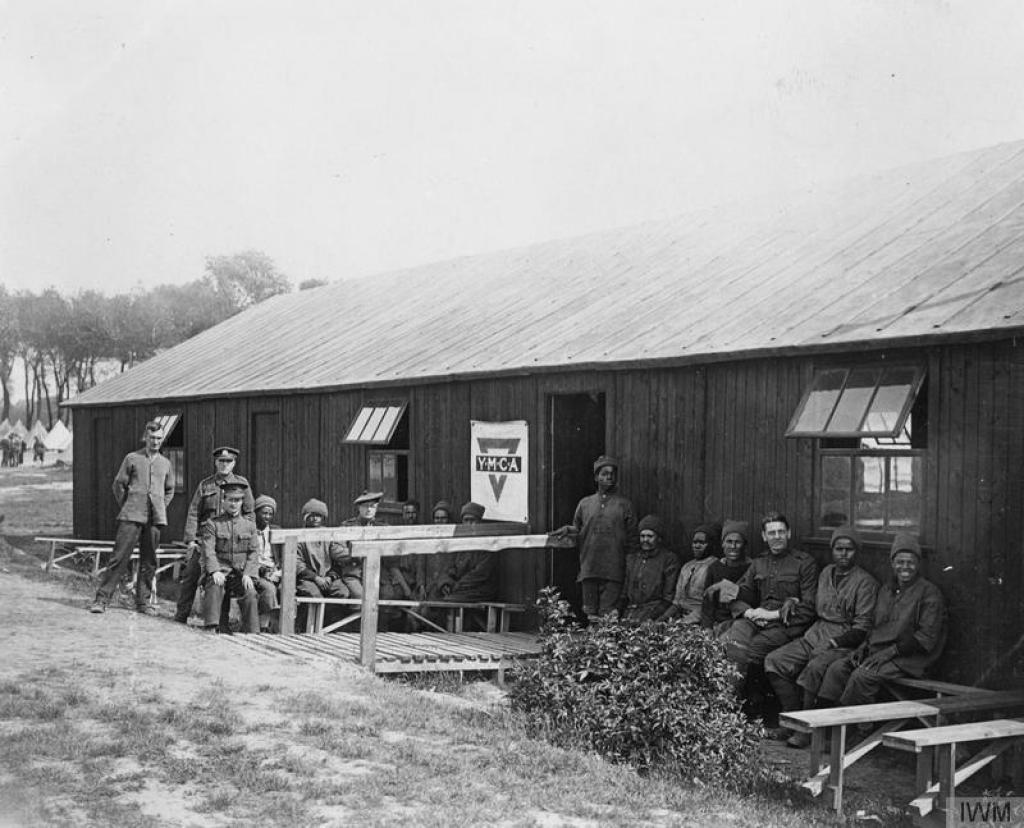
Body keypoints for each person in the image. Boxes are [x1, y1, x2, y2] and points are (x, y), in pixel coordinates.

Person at [764, 525, 879, 746]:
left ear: (857, 552)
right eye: (838, 549)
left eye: (849, 549)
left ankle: (807, 729)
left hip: (844, 640)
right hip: (816, 632)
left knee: (815, 667)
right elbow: (811, 599)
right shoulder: (826, 572)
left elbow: (862, 627)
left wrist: (834, 642)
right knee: (774, 661)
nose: (843, 554)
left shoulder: (865, 582)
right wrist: (794, 600)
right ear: (832, 550)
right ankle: (792, 719)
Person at [816, 534, 947, 713]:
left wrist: (889, 653)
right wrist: (863, 647)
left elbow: (925, 638)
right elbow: (875, 626)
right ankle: (824, 723)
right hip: (881, 651)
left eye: (910, 562)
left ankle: (859, 729)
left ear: (918, 564)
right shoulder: (887, 589)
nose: (905, 567)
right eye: (900, 562)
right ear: (892, 564)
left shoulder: (929, 593)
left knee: (862, 676)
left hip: (910, 659)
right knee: (838, 668)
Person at [720, 512, 818, 715]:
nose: (777, 536)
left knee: (752, 650)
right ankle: (727, 705)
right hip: (757, 620)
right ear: (764, 537)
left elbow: (809, 607)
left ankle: (746, 708)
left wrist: (771, 615)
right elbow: (736, 593)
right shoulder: (758, 563)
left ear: (789, 533)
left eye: (781, 532)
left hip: (788, 626)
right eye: (771, 533)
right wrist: (748, 613)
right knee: (731, 642)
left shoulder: (804, 563)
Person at [90, 421, 174, 614]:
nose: (155, 442)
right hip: (131, 516)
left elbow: (169, 490)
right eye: (152, 438)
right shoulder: (132, 458)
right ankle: (102, 600)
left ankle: (142, 603)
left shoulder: (165, 463)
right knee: (119, 558)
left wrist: (160, 506)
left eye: (159, 439)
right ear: (146, 437)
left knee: (149, 561)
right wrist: (129, 505)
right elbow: (118, 485)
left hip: (155, 519)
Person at [174, 447, 254, 625]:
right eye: (221, 461)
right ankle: (181, 616)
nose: (224, 465)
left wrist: (242, 536)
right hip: (206, 540)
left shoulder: (242, 484)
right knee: (191, 574)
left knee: (229, 578)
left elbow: (249, 514)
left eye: (228, 461)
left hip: (230, 543)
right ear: (215, 462)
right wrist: (191, 540)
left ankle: (222, 622)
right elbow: (194, 512)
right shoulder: (205, 485)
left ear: (234, 463)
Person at [567, 455, 639, 620]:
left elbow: (633, 540)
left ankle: (604, 645)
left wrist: (628, 568)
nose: (609, 477)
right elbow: (577, 531)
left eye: (612, 474)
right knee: (590, 613)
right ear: (596, 477)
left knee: (607, 615)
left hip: (614, 570)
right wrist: (568, 530)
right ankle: (593, 645)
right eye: (604, 474)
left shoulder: (625, 505)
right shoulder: (585, 504)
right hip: (589, 568)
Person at [199, 481, 260, 633]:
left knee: (250, 593)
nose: (234, 504)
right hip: (221, 570)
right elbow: (208, 550)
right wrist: (214, 571)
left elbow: (253, 552)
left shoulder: (249, 526)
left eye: (238, 500)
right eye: (231, 500)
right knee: (214, 585)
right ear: (223, 501)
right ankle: (211, 628)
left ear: (242, 502)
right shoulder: (213, 524)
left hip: (240, 573)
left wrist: (248, 574)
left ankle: (252, 633)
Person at [295, 498, 362, 599]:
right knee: (315, 596)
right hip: (307, 579)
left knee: (342, 593)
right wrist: (315, 578)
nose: (315, 519)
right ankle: (314, 615)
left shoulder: (329, 535)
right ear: (306, 517)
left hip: (327, 578)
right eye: (311, 515)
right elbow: (297, 564)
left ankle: (332, 615)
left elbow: (336, 557)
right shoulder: (299, 537)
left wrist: (330, 577)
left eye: (318, 515)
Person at [620, 515, 680, 621]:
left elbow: (668, 596)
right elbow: (625, 591)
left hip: (654, 611)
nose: (645, 540)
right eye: (642, 536)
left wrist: (653, 617)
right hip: (631, 611)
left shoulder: (668, 559)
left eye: (650, 536)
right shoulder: (633, 558)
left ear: (659, 538)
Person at [438, 502, 498, 603]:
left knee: (449, 601)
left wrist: (457, 585)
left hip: (480, 589)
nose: (469, 524)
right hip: (458, 588)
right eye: (466, 520)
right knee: (433, 597)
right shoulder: (459, 544)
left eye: (472, 520)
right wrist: (446, 583)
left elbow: (480, 574)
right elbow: (448, 568)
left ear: (479, 523)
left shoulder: (488, 545)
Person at [660, 523, 720, 623]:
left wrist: (685, 621)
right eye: (694, 542)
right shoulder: (686, 567)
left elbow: (712, 606)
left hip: (702, 617)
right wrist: (662, 618)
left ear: (711, 544)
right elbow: (677, 602)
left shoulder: (715, 566)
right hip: (680, 616)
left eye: (702, 542)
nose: (697, 546)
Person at [700, 520, 753, 630]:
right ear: (722, 544)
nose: (733, 546)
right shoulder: (714, 568)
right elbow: (707, 605)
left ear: (745, 545)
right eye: (729, 541)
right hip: (718, 623)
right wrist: (707, 628)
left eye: (738, 542)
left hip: (744, 623)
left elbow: (755, 598)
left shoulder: (753, 567)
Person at [253, 494, 282, 633]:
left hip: (274, 571)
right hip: (256, 571)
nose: (267, 517)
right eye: (264, 513)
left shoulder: (276, 531)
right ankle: (263, 627)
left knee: (289, 589)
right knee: (269, 589)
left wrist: (279, 572)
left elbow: (282, 556)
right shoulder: (250, 531)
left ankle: (284, 628)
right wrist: (263, 571)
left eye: (270, 514)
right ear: (256, 512)